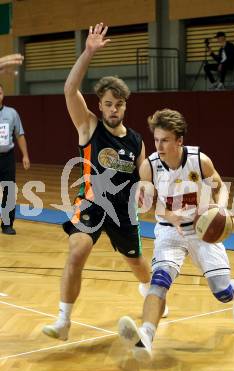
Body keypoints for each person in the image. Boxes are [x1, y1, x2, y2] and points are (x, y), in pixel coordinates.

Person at [42, 23, 153, 341]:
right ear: (100, 105)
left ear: (125, 105)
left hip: (123, 210)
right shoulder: (89, 126)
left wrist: (146, 186)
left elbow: (143, 170)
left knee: (137, 263)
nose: (113, 109)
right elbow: (69, 89)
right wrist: (88, 52)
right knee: (77, 251)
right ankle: (63, 321)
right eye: (107, 103)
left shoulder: (135, 140)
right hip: (91, 202)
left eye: (118, 104)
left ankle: (149, 292)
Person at [118, 108, 234, 361]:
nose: (159, 146)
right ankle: (145, 337)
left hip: (202, 231)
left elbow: (220, 188)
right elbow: (147, 203)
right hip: (169, 231)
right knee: (159, 281)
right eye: (156, 140)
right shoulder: (149, 167)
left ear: (179, 140)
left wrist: (219, 208)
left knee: (222, 293)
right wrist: (167, 215)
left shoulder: (200, 161)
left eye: (165, 140)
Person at [0, 83, 30, 235]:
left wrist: (25, 155)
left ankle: (7, 224)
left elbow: (19, 134)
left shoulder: (12, 113)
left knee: (8, 191)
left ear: (3, 94)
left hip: (6, 158)